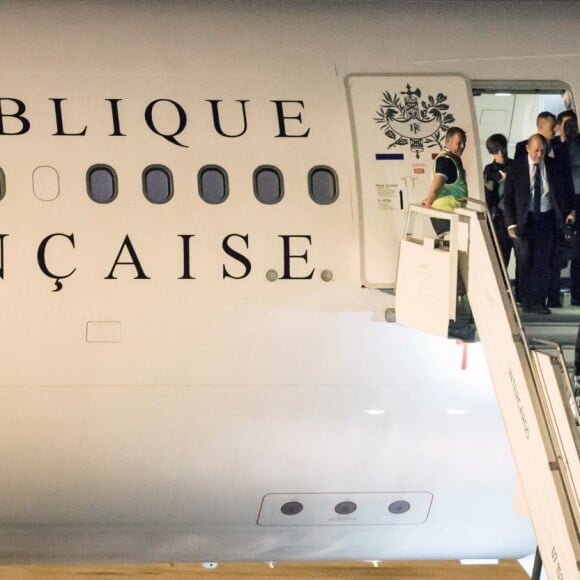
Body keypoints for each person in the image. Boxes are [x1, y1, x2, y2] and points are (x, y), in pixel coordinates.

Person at [504, 133, 575, 315]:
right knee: (525, 260)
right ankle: (526, 300)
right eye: (536, 150)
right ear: (528, 148)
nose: (539, 154)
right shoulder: (516, 168)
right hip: (525, 220)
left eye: (542, 151)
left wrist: (569, 211)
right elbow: (509, 199)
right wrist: (511, 224)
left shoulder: (553, 166)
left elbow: (565, 190)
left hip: (547, 219)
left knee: (543, 263)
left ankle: (538, 301)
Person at [422, 127, 468, 234]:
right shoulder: (446, 161)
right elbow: (438, 184)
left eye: (464, 143)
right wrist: (429, 200)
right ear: (448, 141)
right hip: (447, 216)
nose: (462, 146)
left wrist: (429, 199)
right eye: (459, 142)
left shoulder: (450, 159)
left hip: (449, 214)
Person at [483, 133, 513, 267]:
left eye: (503, 148)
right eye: (497, 150)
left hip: (516, 215)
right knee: (502, 256)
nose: (501, 153)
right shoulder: (489, 170)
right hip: (499, 217)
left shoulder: (515, 165)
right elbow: (488, 195)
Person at [563, 116, 580, 305]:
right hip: (575, 200)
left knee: (576, 253)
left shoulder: (563, 149)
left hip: (571, 201)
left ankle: (576, 293)